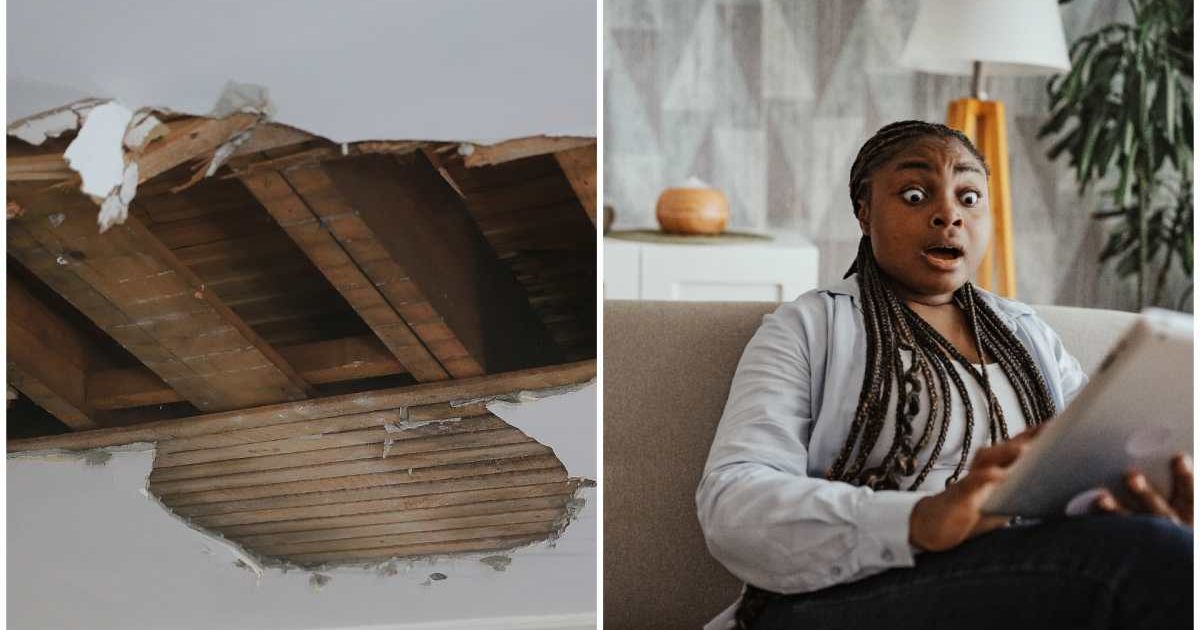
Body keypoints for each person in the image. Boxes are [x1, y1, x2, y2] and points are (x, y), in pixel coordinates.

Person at [695, 121, 1193, 630]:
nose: (949, 214)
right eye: (915, 195)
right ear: (865, 212)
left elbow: (1090, 469)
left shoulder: (1028, 335)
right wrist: (919, 519)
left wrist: (1147, 502)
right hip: (836, 598)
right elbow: (732, 501)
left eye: (969, 197)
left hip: (1013, 583)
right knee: (1147, 558)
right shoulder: (810, 325)